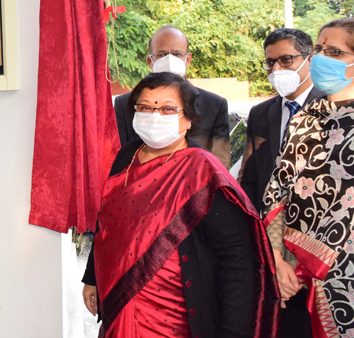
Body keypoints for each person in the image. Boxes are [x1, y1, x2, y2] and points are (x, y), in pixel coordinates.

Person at [82, 72, 278, 338]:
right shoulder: (127, 155)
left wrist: (233, 331)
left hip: (174, 316)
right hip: (120, 302)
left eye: (167, 109)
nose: (154, 115)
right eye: (145, 107)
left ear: (187, 119)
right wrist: (92, 277)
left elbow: (237, 257)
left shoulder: (202, 171)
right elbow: (109, 221)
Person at [263, 18, 354, 337]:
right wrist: (277, 261)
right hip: (297, 280)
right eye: (319, 49)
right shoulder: (305, 121)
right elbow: (277, 196)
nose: (320, 59)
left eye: (334, 52)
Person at [238, 28, 323, 338]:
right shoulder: (261, 114)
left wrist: (301, 264)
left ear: (310, 60)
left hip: (320, 252)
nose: (276, 70)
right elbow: (250, 183)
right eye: (270, 63)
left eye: (286, 60)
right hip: (272, 250)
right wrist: (269, 252)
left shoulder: (334, 106)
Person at [114, 26, 231, 166]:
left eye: (176, 54)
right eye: (162, 54)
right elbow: (117, 156)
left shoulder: (214, 106)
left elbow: (219, 167)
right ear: (150, 61)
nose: (169, 59)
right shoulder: (123, 104)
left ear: (187, 60)